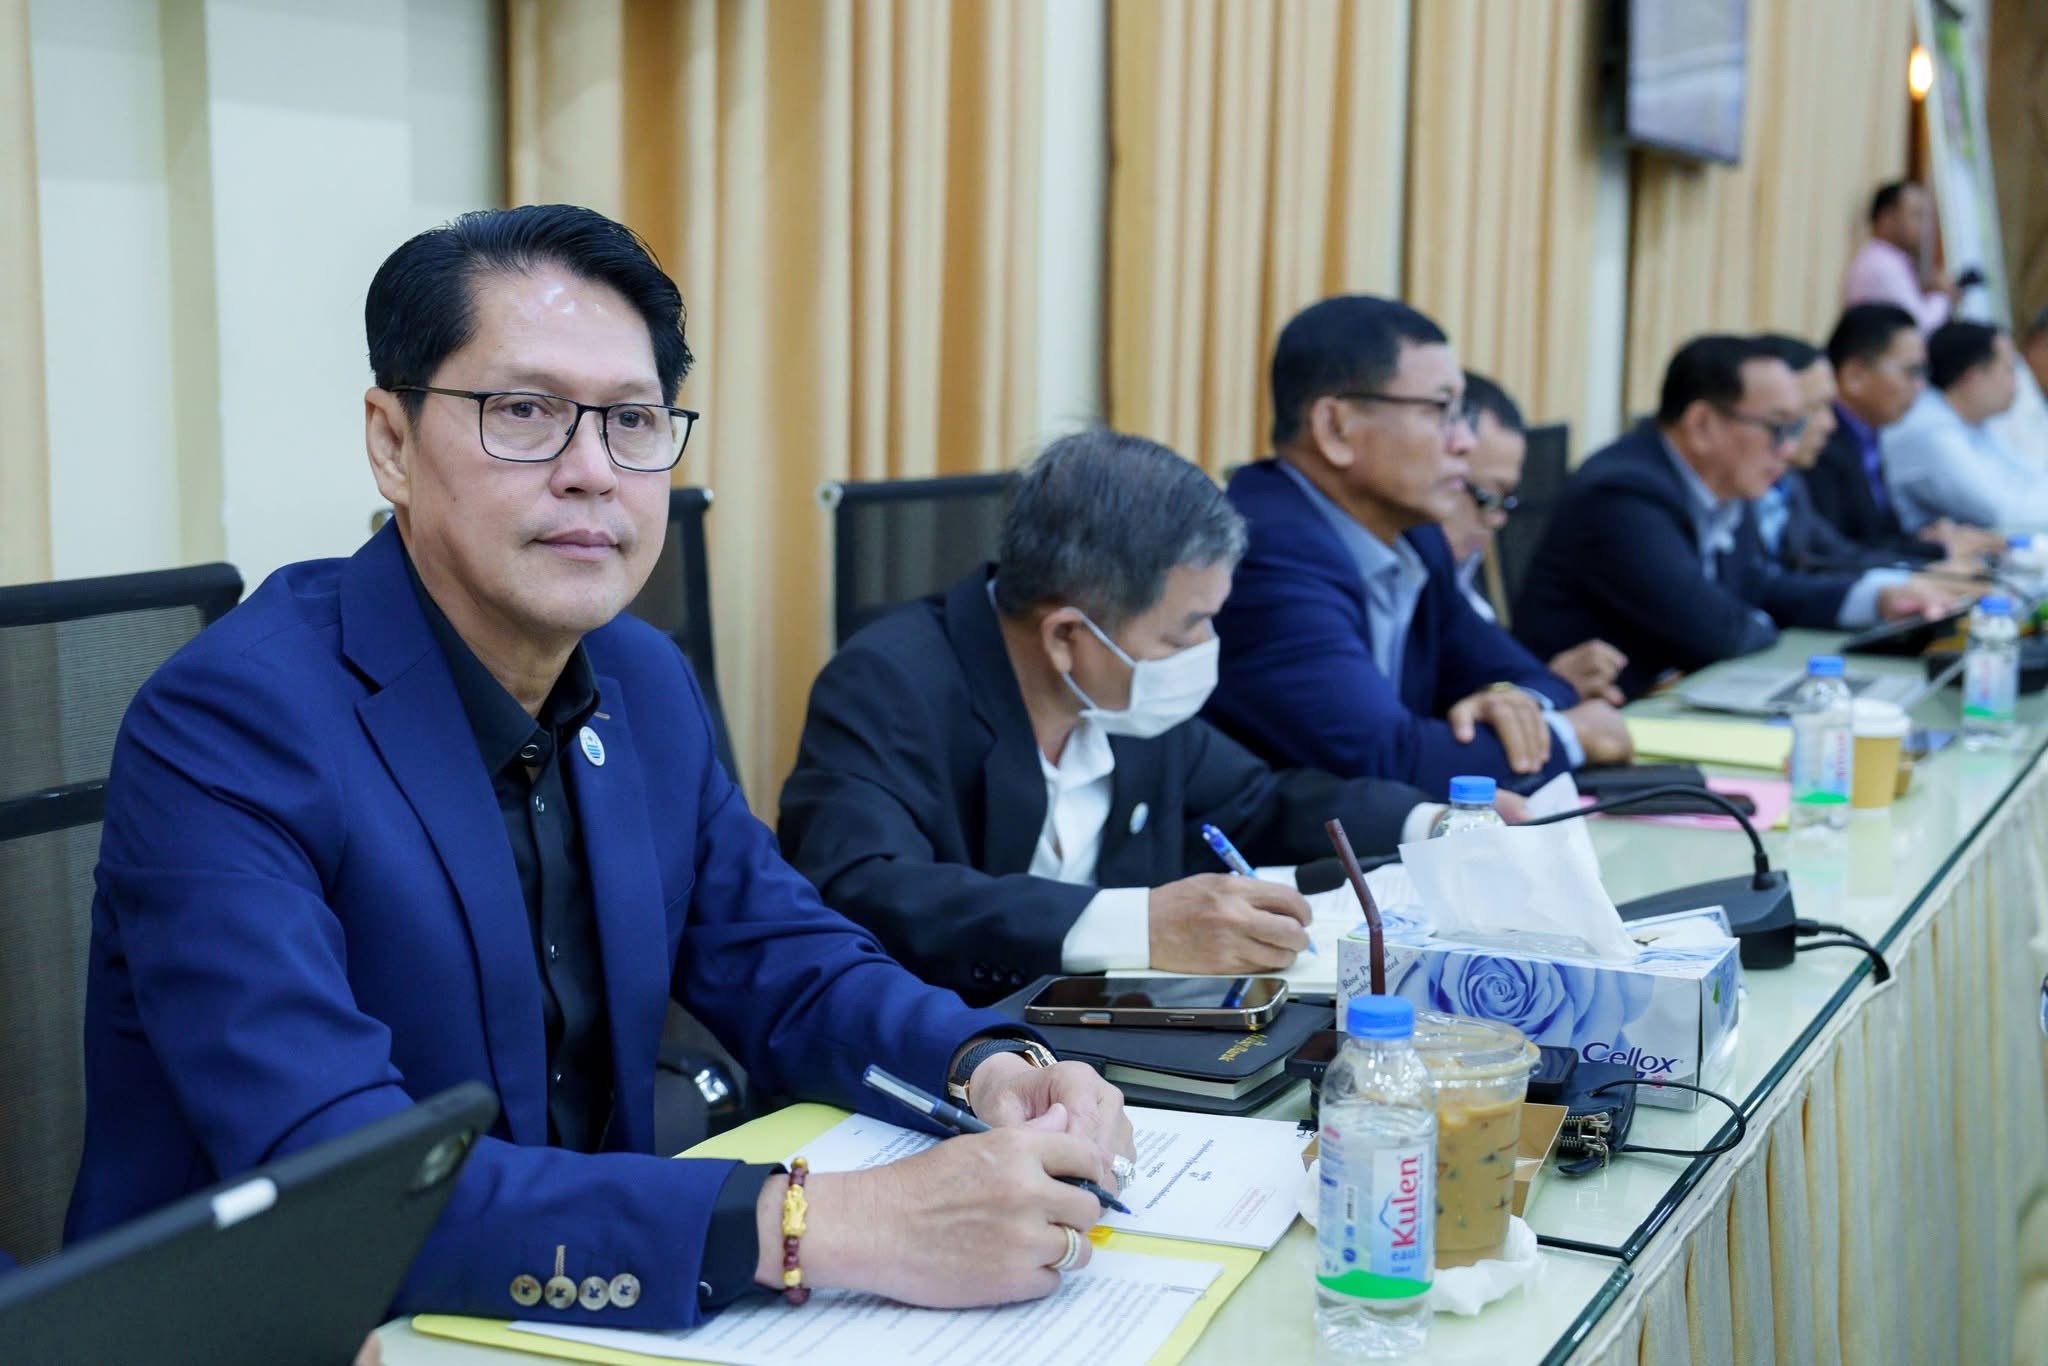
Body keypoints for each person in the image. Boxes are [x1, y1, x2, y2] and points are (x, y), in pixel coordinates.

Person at [64, 205, 1134, 1330]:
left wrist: (985, 1065)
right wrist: (821, 1225)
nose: (592, 472)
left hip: (570, 1315)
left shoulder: (641, 678)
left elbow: (786, 962)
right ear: (392, 443)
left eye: (632, 420)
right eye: (524, 412)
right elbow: (346, 1178)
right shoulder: (231, 722)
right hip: (281, 1330)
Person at [778, 430, 1462, 1001]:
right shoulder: (888, 683)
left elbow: (1260, 803)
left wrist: (1435, 824)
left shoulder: (1123, 699)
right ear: (1066, 637)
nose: (1206, 649)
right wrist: (1143, 924)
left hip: (1118, 1033)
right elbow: (865, 890)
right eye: (1184, 629)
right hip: (953, 1051)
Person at [1204, 296, 1632, 797]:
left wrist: (1512, 702)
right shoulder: (1264, 553)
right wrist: (1572, 735)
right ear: (1335, 428)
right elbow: (1387, 762)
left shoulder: (1417, 540)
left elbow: (1529, 676)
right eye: (1440, 410)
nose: (1464, 442)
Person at [1512, 336, 1957, 698]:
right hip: (1598, 722)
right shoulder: (1622, 495)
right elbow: (1716, 633)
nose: (1787, 448)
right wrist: (1755, 618)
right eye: (1778, 427)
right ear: (1702, 425)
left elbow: (1758, 586)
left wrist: (1876, 599)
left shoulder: (1723, 484)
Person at [1447, 371, 1626, 705]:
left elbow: (1505, 677)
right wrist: (1546, 689)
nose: (1498, 519)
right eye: (1487, 497)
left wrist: (1546, 685)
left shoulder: (1456, 577)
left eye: (1504, 501)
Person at [1807, 303, 2002, 563]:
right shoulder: (1819, 442)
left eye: (1923, 373)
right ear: (1855, 376)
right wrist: (1935, 550)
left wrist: (1929, 539)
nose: (1920, 387)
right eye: (1911, 372)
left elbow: (1878, 536)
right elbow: (1837, 555)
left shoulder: (1869, 433)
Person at [1883, 321, 2048, 530]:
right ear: (1973, 378)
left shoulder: (1969, 421)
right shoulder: (1927, 430)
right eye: (2009, 370)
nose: (2017, 383)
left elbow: (2026, 479)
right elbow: (2002, 512)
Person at [1841, 180, 1956, 332]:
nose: (1925, 227)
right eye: (1916, 215)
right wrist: (1943, 296)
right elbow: (1920, 327)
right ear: (1887, 219)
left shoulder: (1887, 259)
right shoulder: (1882, 264)